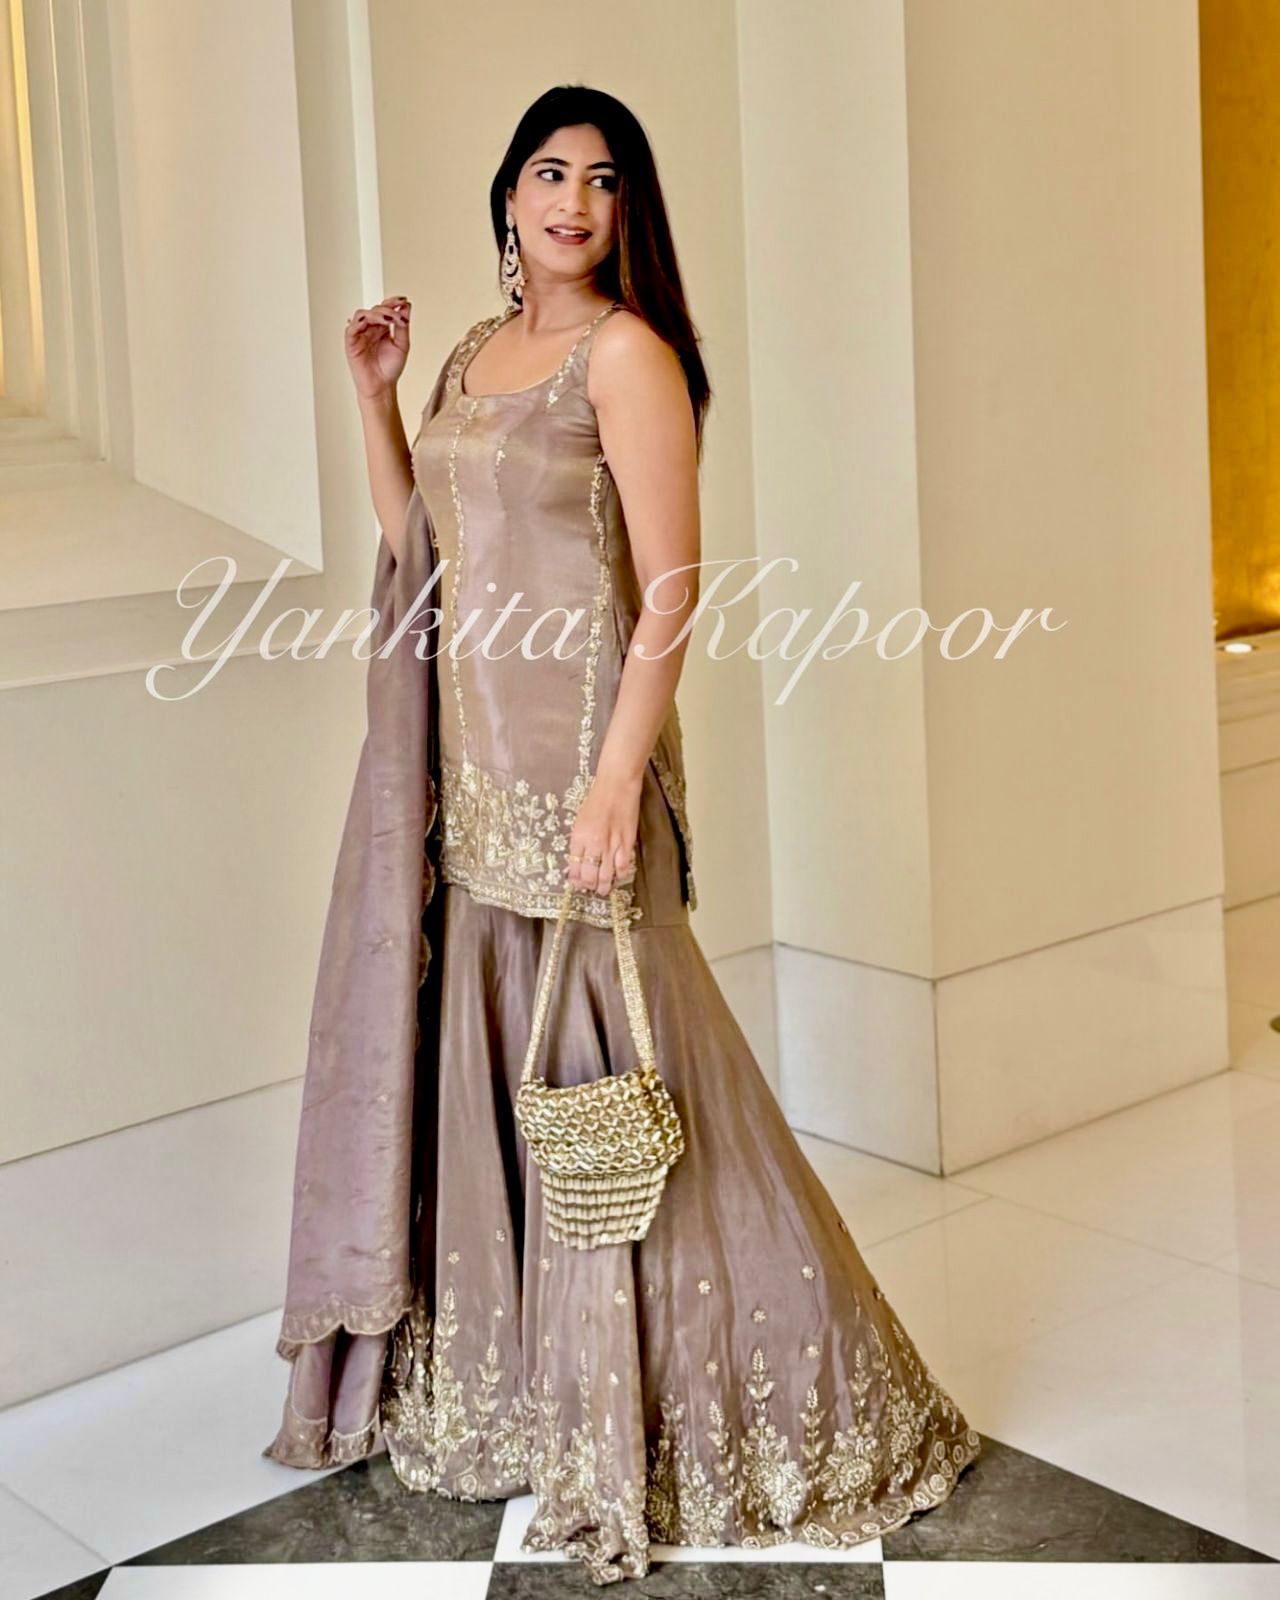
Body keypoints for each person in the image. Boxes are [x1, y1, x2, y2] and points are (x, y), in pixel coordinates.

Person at [263, 83, 980, 1587]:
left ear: (627, 209)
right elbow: (421, 553)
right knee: (516, 1097)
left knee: (634, 1096)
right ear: (509, 196)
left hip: (584, 780)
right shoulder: (472, 352)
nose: (574, 202)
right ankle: (545, 1397)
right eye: (550, 173)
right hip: (474, 783)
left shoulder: (629, 357)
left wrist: (613, 784)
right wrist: (377, 399)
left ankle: (735, 1407)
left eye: (603, 180)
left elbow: (670, 592)